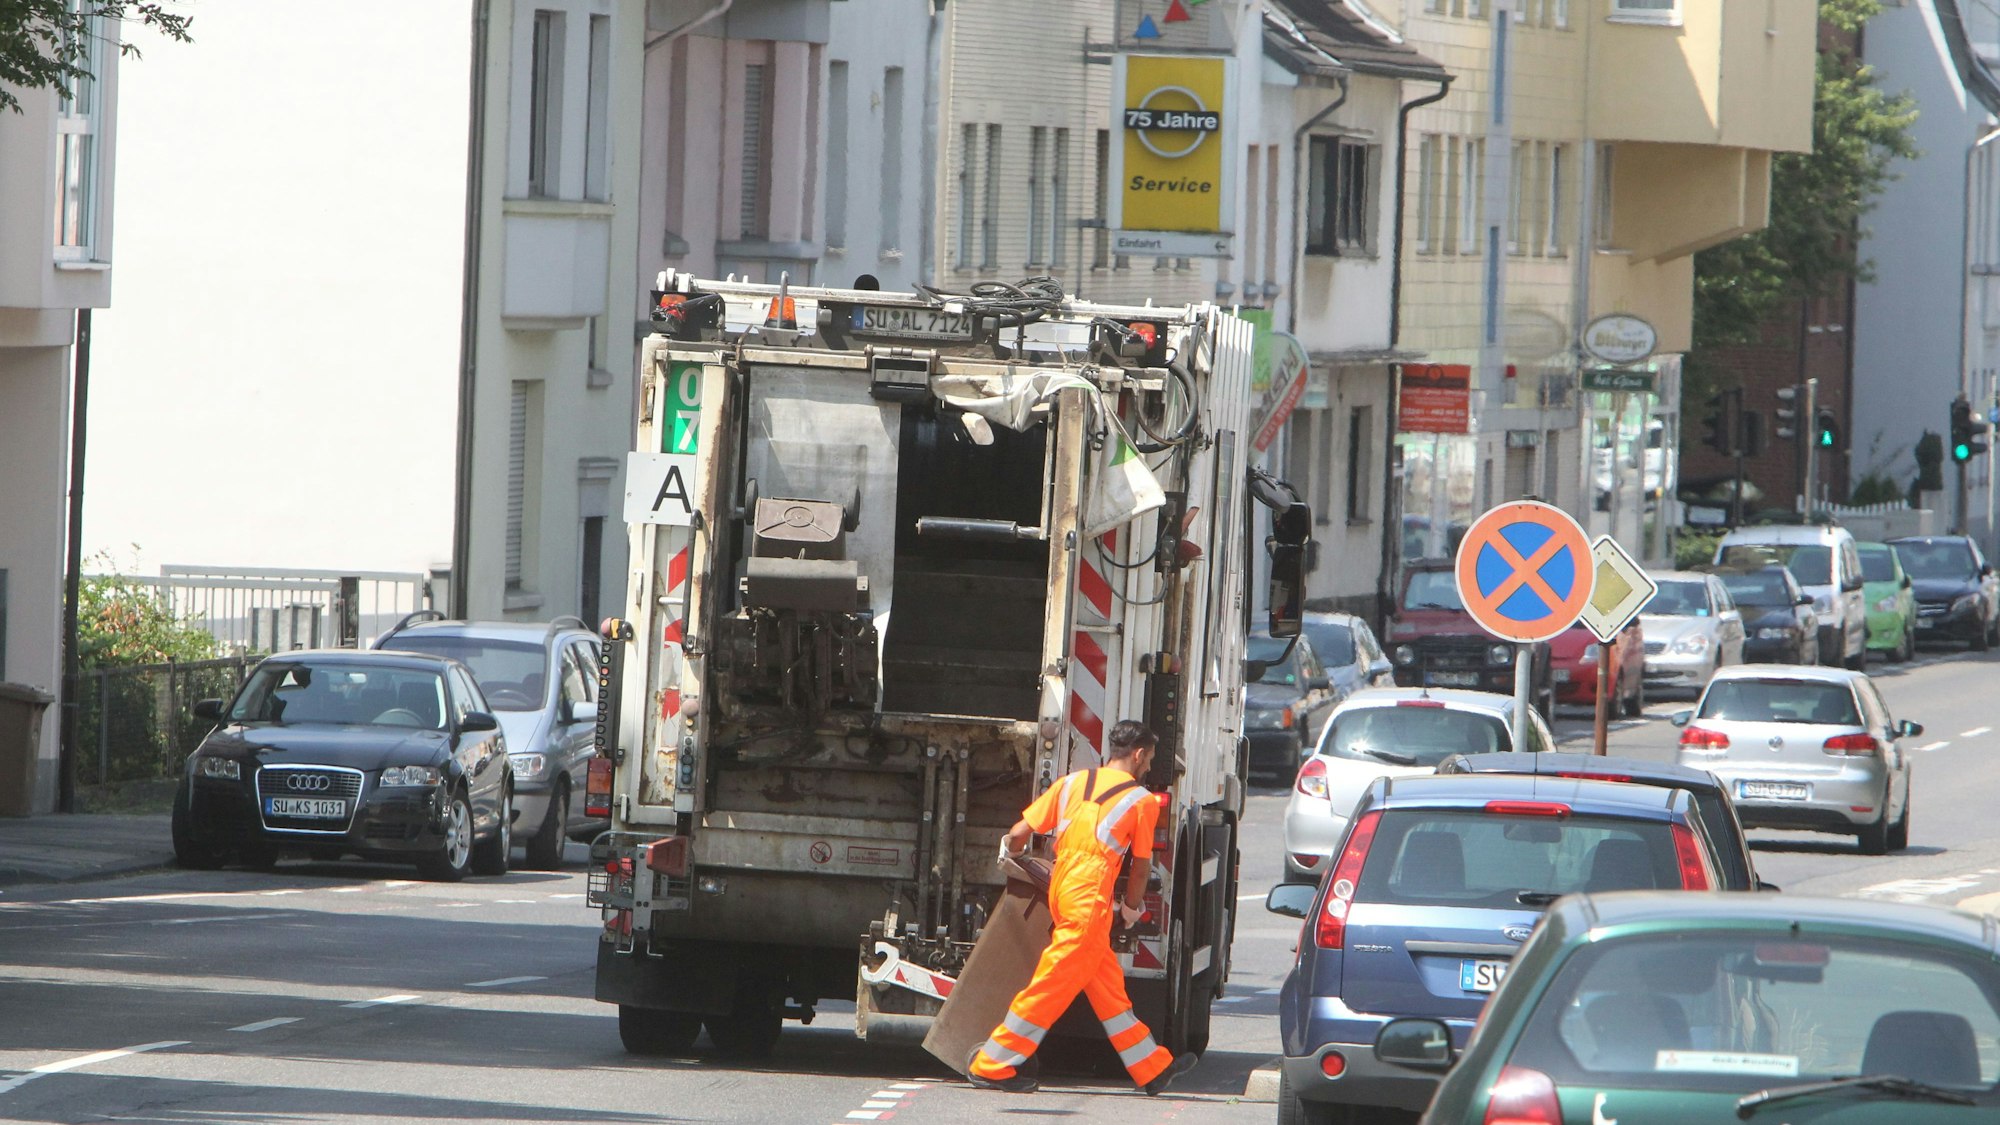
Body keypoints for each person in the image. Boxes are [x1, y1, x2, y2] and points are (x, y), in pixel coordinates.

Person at [966, 720, 1198, 1095]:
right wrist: (1131, 910)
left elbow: (1018, 833)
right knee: (1051, 983)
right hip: (1090, 897)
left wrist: (1014, 854)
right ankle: (992, 1064)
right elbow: (1141, 868)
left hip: (1063, 888)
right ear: (1138, 755)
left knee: (1107, 987)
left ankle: (1152, 1068)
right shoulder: (1140, 801)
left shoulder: (1072, 783)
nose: (1149, 766)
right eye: (1150, 759)